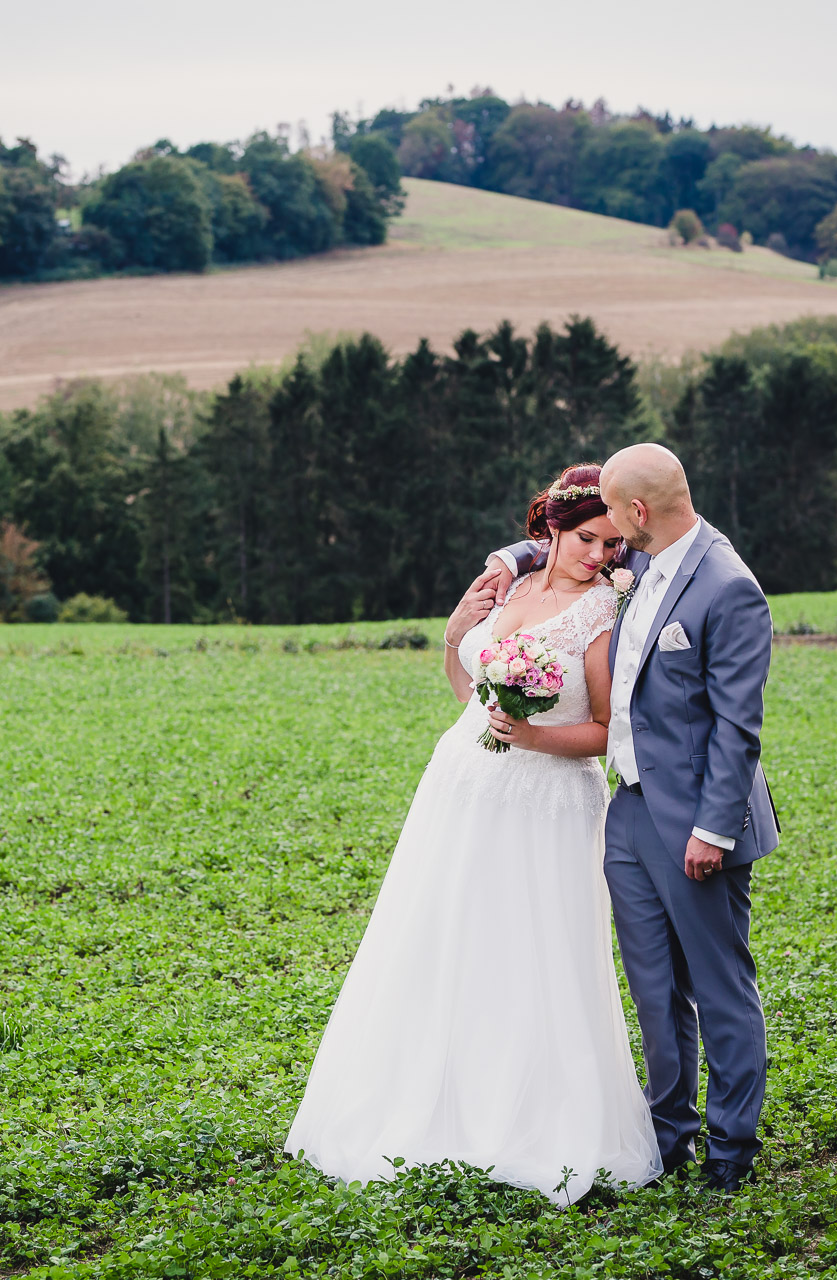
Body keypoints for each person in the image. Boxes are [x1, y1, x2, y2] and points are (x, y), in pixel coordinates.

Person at [285, 464, 662, 1205]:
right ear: (550, 527)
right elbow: (471, 690)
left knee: (528, 947)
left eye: (613, 546)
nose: (599, 556)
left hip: (545, 798)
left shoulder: (601, 617)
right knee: (444, 935)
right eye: (588, 538)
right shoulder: (509, 587)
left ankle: (529, 1114)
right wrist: (457, 635)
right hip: (463, 784)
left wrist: (527, 736)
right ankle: (428, 1102)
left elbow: (607, 733)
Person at [483, 442, 778, 1192]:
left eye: (614, 517)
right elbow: (555, 537)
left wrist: (712, 833)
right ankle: (668, 1133)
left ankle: (731, 1151)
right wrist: (509, 557)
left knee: (719, 986)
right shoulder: (642, 561)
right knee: (653, 987)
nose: (606, 535)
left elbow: (737, 728)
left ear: (638, 514)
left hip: (696, 824)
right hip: (629, 811)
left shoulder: (727, 587)